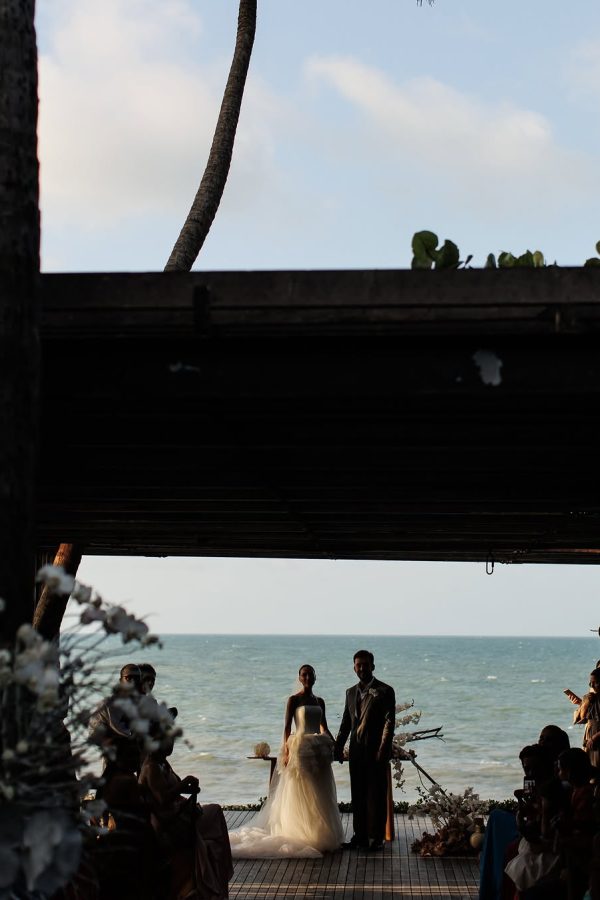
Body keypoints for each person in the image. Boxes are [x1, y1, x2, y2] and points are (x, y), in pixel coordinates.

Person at [228, 664, 344, 858]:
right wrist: (286, 751)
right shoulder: (294, 700)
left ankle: (320, 834)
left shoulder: (320, 701)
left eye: (310, 674)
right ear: (299, 678)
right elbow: (286, 727)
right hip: (300, 749)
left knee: (320, 793)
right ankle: (301, 833)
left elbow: (324, 726)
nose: (307, 677)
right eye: (304, 674)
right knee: (302, 793)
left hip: (317, 750)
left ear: (315, 677)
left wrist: (335, 746)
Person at [139, 734, 233, 900]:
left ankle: (219, 873)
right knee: (215, 813)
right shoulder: (151, 766)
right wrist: (185, 783)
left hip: (180, 812)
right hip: (170, 820)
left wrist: (189, 785)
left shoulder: (162, 762)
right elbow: (162, 799)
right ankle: (214, 879)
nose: (172, 743)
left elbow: (176, 785)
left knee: (215, 813)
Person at [334, 650, 395, 851]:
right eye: (358, 665)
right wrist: (338, 747)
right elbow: (346, 722)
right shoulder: (350, 692)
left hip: (376, 751)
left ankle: (376, 838)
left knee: (376, 794)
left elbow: (389, 723)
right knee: (357, 794)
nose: (362, 668)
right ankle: (359, 836)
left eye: (365, 665)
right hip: (356, 751)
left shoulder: (385, 691)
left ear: (373, 666)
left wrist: (383, 750)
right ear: (354, 667)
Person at [89, 663, 144, 776]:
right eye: (129, 678)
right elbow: (122, 730)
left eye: (136, 678)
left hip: (121, 745)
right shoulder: (111, 703)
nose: (133, 681)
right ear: (121, 681)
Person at [573, 668, 600, 767]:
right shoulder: (590, 698)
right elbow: (581, 718)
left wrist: (594, 738)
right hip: (590, 740)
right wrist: (585, 703)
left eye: (595, 683)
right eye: (590, 683)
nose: (592, 686)